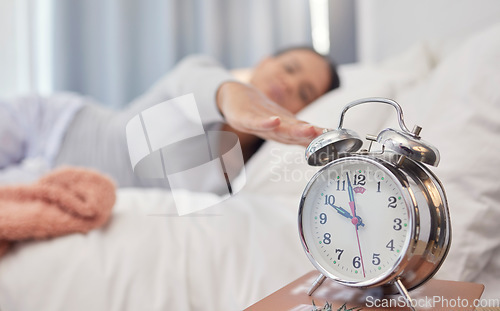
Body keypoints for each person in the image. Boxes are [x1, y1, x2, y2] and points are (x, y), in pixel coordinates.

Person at [0, 47, 340, 187]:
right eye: (289, 68)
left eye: (304, 92)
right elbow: (215, 88)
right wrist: (235, 97)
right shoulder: (200, 74)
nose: (289, 83)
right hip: (49, 127)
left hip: (57, 184)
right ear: (266, 61)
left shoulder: (239, 180)